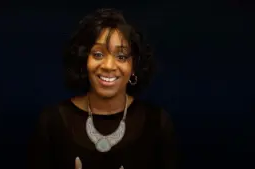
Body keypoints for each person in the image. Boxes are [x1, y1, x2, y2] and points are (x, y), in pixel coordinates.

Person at [27, 8, 178, 169]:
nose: (108, 66)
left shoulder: (157, 123)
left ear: (134, 66)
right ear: (84, 60)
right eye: (98, 54)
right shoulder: (52, 122)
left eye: (121, 56)